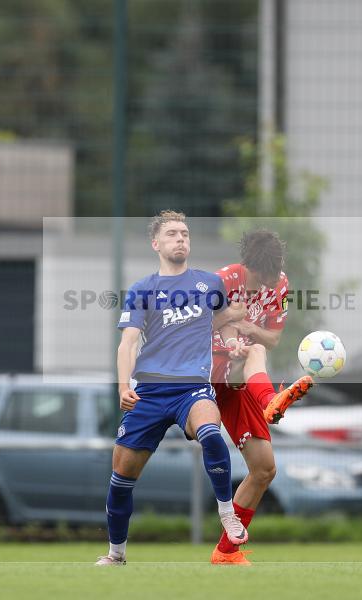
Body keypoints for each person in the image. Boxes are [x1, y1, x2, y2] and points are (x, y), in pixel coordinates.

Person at [95, 211, 248, 566]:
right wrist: (123, 385)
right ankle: (116, 554)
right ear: (156, 244)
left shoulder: (209, 284)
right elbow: (128, 344)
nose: (181, 238)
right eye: (173, 234)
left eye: (185, 233)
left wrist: (234, 346)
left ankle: (227, 514)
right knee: (121, 477)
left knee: (211, 432)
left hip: (192, 387)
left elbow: (223, 326)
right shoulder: (142, 289)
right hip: (149, 391)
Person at [208, 229, 313, 565]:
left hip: (240, 381)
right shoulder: (221, 281)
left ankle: (226, 552)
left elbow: (274, 338)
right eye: (259, 279)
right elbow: (191, 325)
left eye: (270, 279)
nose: (265, 287)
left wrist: (248, 330)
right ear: (246, 266)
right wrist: (229, 328)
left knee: (264, 468)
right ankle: (270, 398)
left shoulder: (281, 286)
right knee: (251, 351)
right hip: (207, 371)